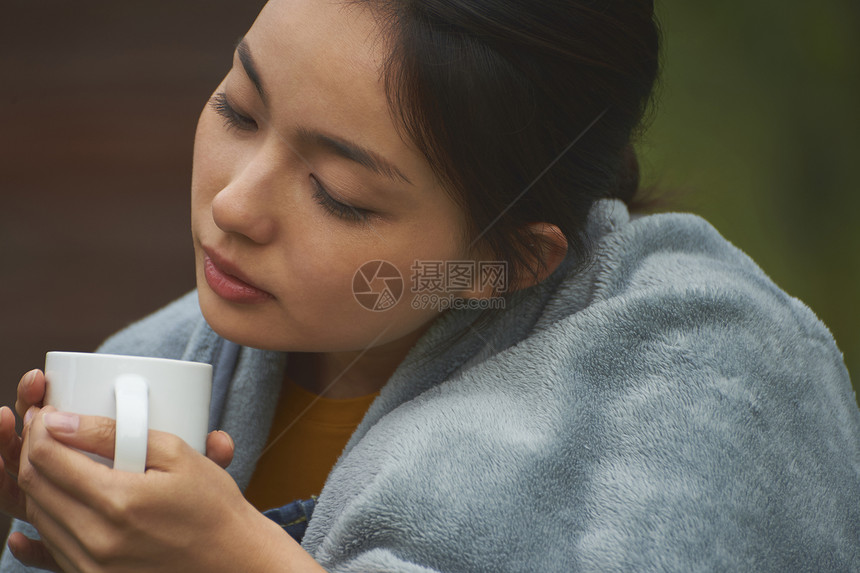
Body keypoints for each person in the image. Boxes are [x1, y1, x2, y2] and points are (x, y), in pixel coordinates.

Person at [1, 0, 858, 571]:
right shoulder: (151, 364)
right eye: (237, 110)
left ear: (510, 261)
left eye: (339, 193)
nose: (234, 203)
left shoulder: (711, 389)